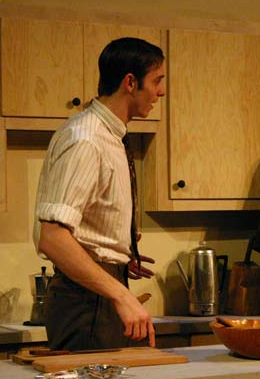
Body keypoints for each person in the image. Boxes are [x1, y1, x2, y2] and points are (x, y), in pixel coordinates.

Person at [33, 37, 166, 350]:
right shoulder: (87, 139)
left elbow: (85, 227)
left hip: (95, 296)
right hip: (86, 303)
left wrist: (115, 255)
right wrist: (120, 293)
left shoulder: (108, 136)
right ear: (130, 82)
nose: (161, 92)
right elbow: (52, 237)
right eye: (156, 81)